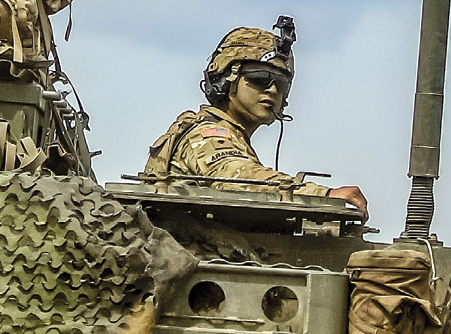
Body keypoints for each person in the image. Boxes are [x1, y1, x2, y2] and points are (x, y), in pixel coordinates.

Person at [143, 24, 367, 216]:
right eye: (259, 78)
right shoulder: (207, 135)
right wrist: (325, 195)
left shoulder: (234, 137)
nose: (272, 91)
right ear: (225, 81)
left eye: (281, 84)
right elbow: (239, 180)